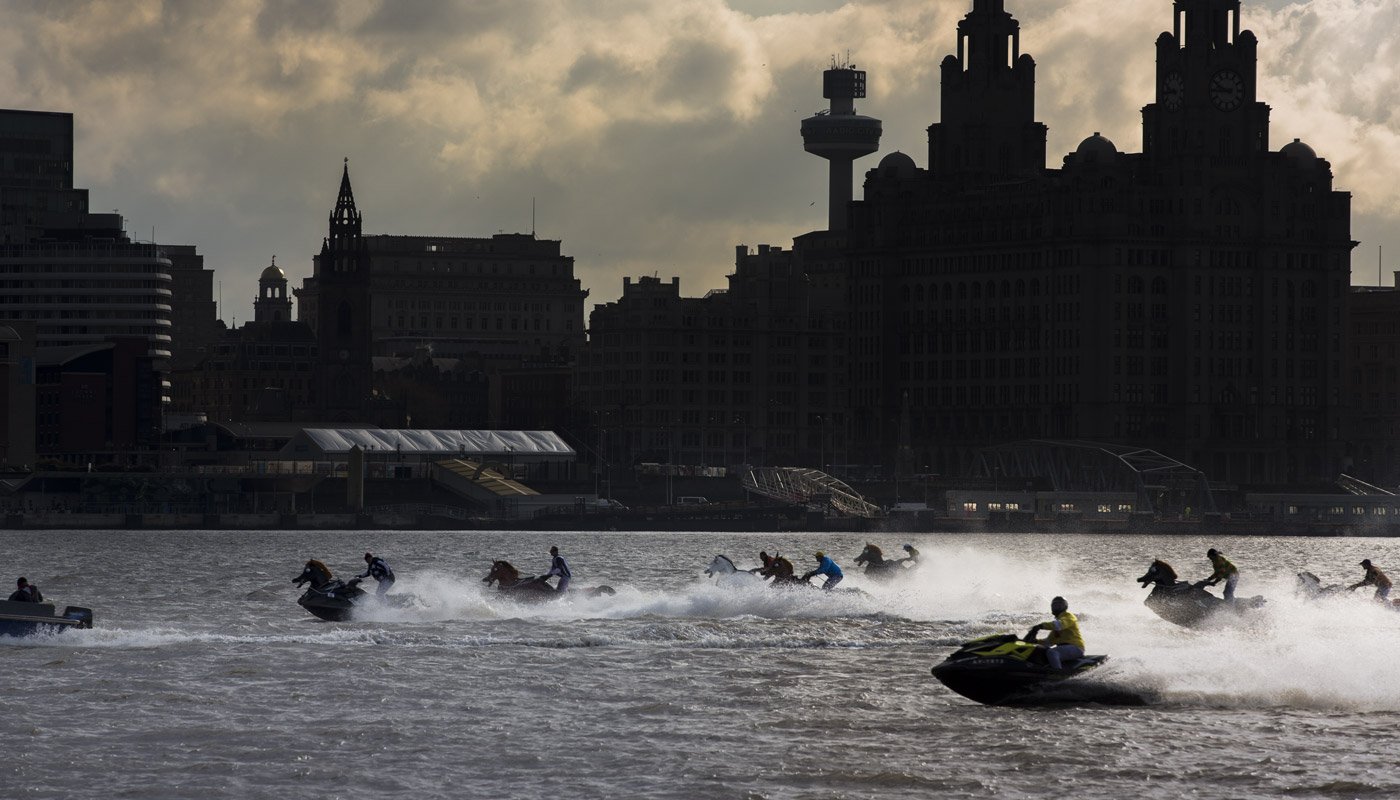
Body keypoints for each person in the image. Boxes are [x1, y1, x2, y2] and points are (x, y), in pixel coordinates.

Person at [1026, 596, 1084, 671]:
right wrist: (1035, 641)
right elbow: (1048, 642)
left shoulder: (1069, 616)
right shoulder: (1056, 626)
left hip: (1076, 648)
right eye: (1055, 605)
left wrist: (1040, 626)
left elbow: (1059, 625)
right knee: (1044, 650)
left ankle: (1057, 673)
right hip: (1064, 649)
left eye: (1060, 605)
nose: (1057, 607)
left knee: (1052, 652)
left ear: (1065, 606)